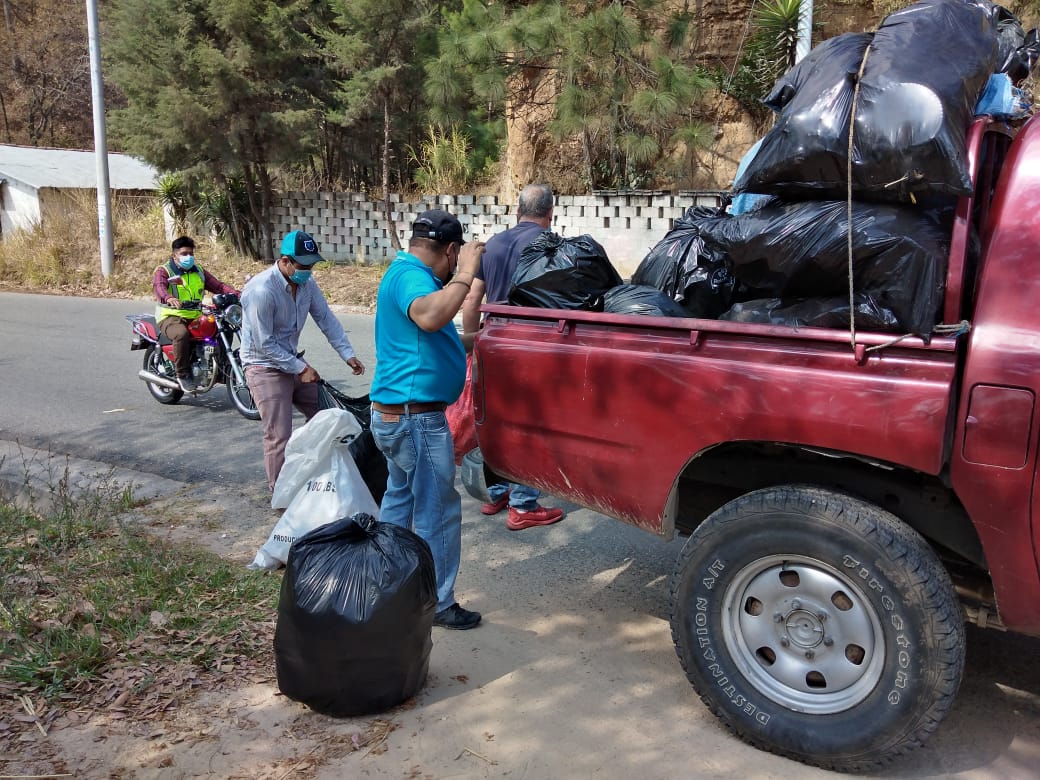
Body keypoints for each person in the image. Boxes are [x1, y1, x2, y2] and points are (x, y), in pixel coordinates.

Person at [370, 209, 486, 630]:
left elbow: (438, 336)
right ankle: (438, 603)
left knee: (399, 502)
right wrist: (468, 274)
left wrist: (481, 338)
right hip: (414, 420)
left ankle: (387, 584)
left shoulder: (409, 275)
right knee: (436, 511)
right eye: (458, 259)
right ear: (451, 250)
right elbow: (431, 316)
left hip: (400, 417)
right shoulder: (409, 275)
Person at [460, 183, 565, 531]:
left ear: (516, 212)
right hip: (530, 346)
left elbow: (473, 299)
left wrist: (473, 343)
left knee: (499, 420)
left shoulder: (493, 246)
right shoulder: (549, 245)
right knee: (531, 424)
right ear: (549, 214)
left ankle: (499, 492)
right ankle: (523, 505)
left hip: (493, 342)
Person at [240, 229, 365, 490]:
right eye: (303, 265)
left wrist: (347, 354)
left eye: (311, 265)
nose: (308, 271)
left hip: (293, 362)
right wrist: (301, 368)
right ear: (285, 261)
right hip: (264, 367)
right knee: (279, 434)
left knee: (328, 415)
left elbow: (325, 318)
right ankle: (280, 494)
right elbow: (265, 345)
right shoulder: (262, 291)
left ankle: (312, 475)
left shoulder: (307, 284)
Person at [152, 236, 238, 393]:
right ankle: (182, 374)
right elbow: (159, 288)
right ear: (175, 255)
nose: (188, 257)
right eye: (184, 253)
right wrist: (169, 298)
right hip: (171, 315)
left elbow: (218, 286)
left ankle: (221, 366)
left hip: (195, 314)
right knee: (180, 334)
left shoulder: (198, 270)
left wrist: (237, 294)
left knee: (223, 327)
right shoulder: (164, 271)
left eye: (191, 253)